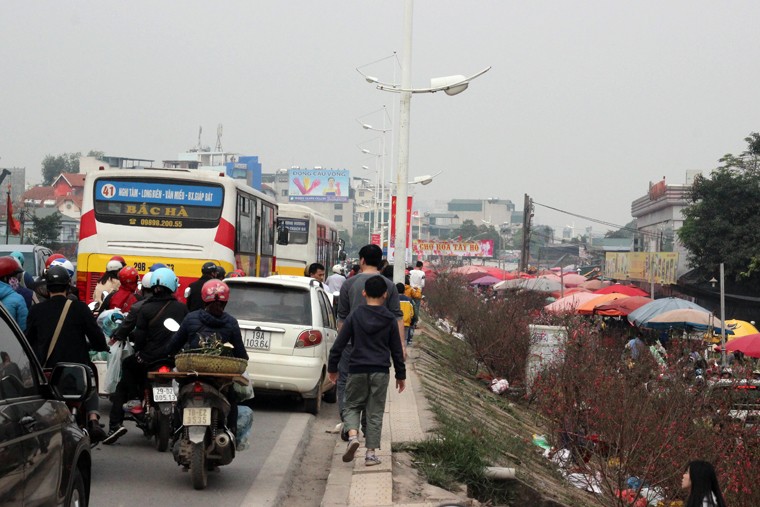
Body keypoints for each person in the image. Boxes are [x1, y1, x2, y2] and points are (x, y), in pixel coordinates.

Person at [25, 265, 109, 442]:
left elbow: (28, 340)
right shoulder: (80, 308)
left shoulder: (36, 310)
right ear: (68, 286)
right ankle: (93, 420)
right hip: (76, 372)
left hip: (46, 373)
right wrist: (102, 347)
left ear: (47, 288)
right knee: (90, 376)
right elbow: (97, 337)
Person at [328, 275, 406, 466]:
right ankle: (370, 455)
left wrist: (333, 368)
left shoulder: (355, 315)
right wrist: (400, 375)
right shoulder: (389, 318)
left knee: (352, 405)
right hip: (380, 370)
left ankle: (353, 437)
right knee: (375, 411)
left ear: (364, 293)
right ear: (385, 295)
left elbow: (339, 344)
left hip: (357, 368)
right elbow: (396, 349)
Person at [104, 267, 188, 444]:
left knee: (128, 365)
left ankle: (122, 415)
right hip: (174, 359)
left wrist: (142, 350)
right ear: (173, 286)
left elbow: (140, 340)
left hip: (149, 358)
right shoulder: (181, 309)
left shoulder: (144, 308)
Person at [336, 244, 405, 439]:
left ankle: (349, 426)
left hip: (351, 346)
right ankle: (368, 427)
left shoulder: (348, 284)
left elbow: (342, 317)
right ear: (381, 264)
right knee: (373, 390)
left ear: (362, 261)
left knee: (345, 383)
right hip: (379, 349)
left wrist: (341, 345)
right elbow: (397, 317)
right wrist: (401, 346)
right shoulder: (389, 286)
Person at [165, 279, 249, 433]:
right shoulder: (231, 322)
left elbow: (173, 346)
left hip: (192, 374)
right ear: (226, 301)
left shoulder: (191, 318)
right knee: (232, 398)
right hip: (219, 379)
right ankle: (231, 430)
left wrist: (170, 353)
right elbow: (241, 355)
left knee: (180, 399)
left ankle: (175, 430)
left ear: (204, 299)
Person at [0, 256, 29, 330]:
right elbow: (24, 329)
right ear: (5, 278)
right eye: (14, 276)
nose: (17, 280)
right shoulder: (18, 299)